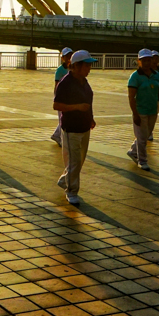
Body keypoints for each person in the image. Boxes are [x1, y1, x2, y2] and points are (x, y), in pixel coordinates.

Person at [53, 50, 97, 206]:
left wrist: (90, 118)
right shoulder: (65, 83)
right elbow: (56, 105)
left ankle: (66, 180)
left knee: (79, 161)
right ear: (77, 66)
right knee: (74, 162)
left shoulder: (84, 82)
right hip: (71, 128)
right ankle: (72, 191)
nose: (89, 69)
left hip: (84, 127)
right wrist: (77, 107)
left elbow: (88, 102)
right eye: (87, 65)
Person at [127, 49, 159, 171]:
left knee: (145, 135)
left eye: (148, 60)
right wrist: (135, 113)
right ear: (139, 62)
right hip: (140, 111)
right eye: (144, 60)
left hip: (152, 110)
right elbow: (131, 97)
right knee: (142, 139)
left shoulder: (156, 75)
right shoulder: (135, 77)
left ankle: (133, 151)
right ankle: (142, 161)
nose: (147, 63)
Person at [50, 48, 74, 147]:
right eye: (67, 56)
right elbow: (57, 84)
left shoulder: (72, 68)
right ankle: (59, 137)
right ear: (63, 57)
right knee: (62, 119)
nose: (69, 58)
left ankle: (56, 135)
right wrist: (57, 97)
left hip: (70, 97)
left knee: (65, 118)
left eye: (70, 56)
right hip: (62, 97)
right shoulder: (60, 70)